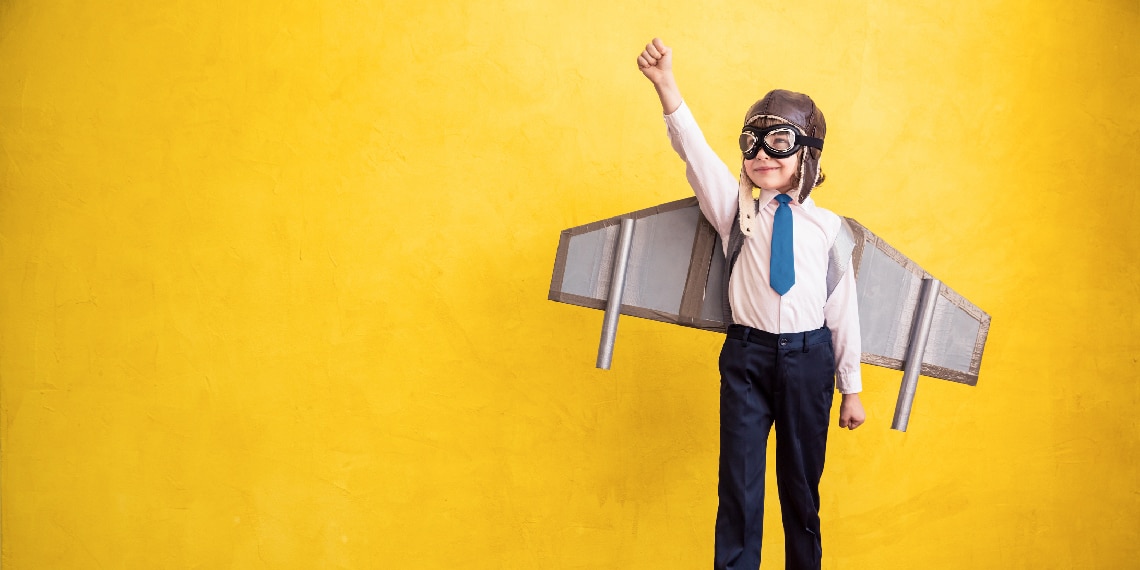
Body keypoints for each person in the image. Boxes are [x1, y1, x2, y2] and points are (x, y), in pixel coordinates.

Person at [636, 38, 866, 570]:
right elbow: (692, 150)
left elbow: (843, 311)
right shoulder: (733, 209)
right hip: (746, 359)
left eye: (777, 141)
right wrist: (666, 85)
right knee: (739, 483)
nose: (760, 154)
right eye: (751, 142)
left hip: (809, 361)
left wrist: (850, 388)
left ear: (806, 152)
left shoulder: (830, 229)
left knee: (802, 488)